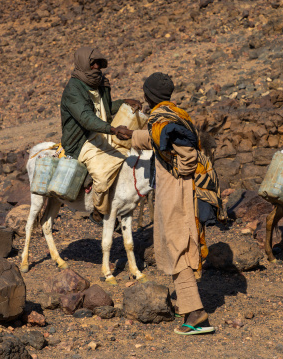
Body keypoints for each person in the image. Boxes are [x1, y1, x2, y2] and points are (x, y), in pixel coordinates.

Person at [117, 72, 216, 335]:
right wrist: (133, 136)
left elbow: (187, 155)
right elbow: (159, 139)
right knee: (175, 243)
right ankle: (191, 311)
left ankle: (195, 313)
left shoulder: (162, 117)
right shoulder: (172, 114)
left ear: (149, 95)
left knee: (177, 244)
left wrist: (178, 170)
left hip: (177, 188)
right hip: (173, 187)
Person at [60, 46, 141, 222]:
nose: (96, 66)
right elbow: (86, 118)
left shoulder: (100, 83)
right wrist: (113, 129)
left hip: (100, 134)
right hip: (81, 141)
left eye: (99, 63)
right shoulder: (73, 89)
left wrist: (124, 102)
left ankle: (116, 203)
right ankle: (98, 212)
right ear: (83, 64)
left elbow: (105, 108)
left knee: (126, 159)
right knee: (103, 176)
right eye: (92, 63)